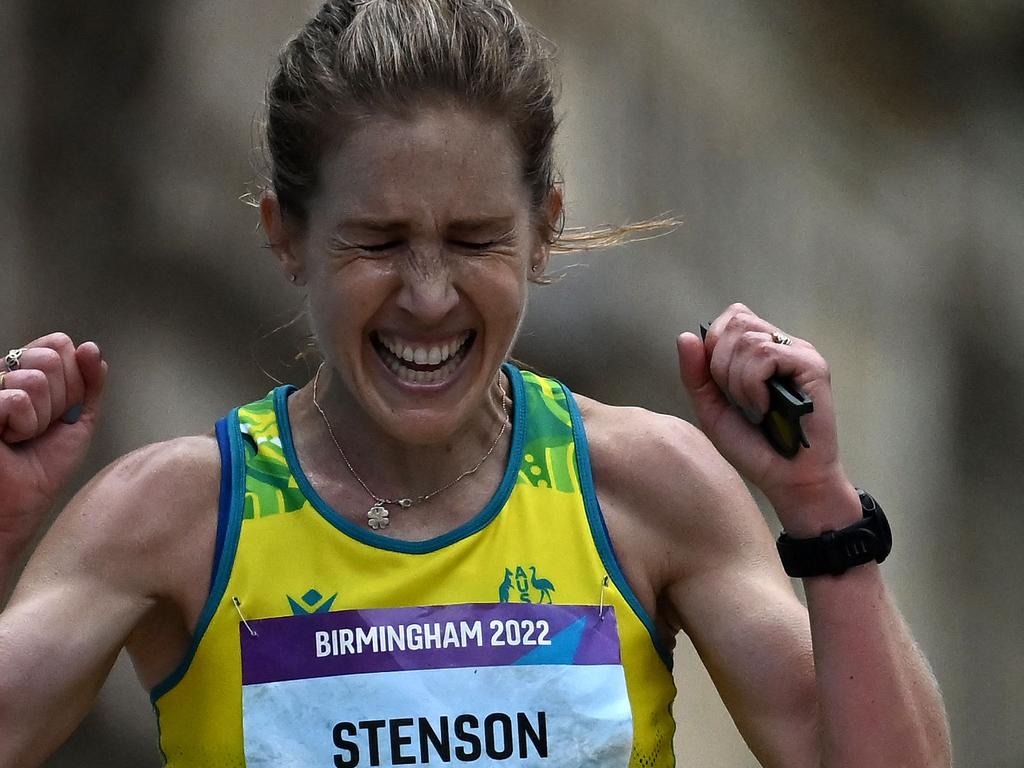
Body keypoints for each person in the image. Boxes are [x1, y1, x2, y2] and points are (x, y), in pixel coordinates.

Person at [0, 1, 951, 766]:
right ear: (283, 236)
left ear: (545, 228)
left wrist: (818, 503)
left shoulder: (643, 487)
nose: (427, 296)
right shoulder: (174, 515)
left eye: (474, 241)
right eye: (377, 242)